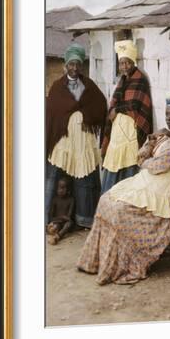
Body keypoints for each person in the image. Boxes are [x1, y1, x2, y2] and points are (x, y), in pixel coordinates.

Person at [77, 92, 170, 285]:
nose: (168, 118)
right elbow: (141, 156)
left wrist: (147, 161)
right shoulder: (167, 136)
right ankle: (98, 262)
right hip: (149, 180)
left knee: (121, 211)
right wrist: (153, 138)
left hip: (167, 184)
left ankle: (122, 265)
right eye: (166, 113)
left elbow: (158, 165)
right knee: (107, 200)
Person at [45, 44, 107, 228]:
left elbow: (101, 104)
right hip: (63, 140)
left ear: (81, 65)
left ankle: (83, 219)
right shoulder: (57, 87)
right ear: (66, 64)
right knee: (54, 176)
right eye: (71, 64)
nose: (74, 68)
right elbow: (52, 113)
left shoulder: (88, 85)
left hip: (83, 140)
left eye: (78, 64)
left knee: (84, 177)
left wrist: (86, 115)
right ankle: (48, 217)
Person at [100, 40, 153, 194]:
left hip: (131, 133)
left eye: (127, 63)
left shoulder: (140, 79)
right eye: (121, 63)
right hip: (117, 134)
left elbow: (136, 105)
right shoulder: (122, 81)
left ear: (132, 62)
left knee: (129, 168)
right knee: (113, 167)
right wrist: (115, 111)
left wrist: (118, 109)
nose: (124, 66)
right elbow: (115, 105)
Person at [46, 176, 75, 244]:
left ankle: (58, 237)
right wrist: (61, 217)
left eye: (63, 188)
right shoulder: (55, 199)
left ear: (68, 190)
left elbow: (69, 217)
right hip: (57, 222)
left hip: (65, 223)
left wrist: (64, 218)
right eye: (59, 187)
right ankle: (54, 232)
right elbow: (51, 217)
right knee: (54, 226)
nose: (60, 190)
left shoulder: (71, 200)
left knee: (69, 224)